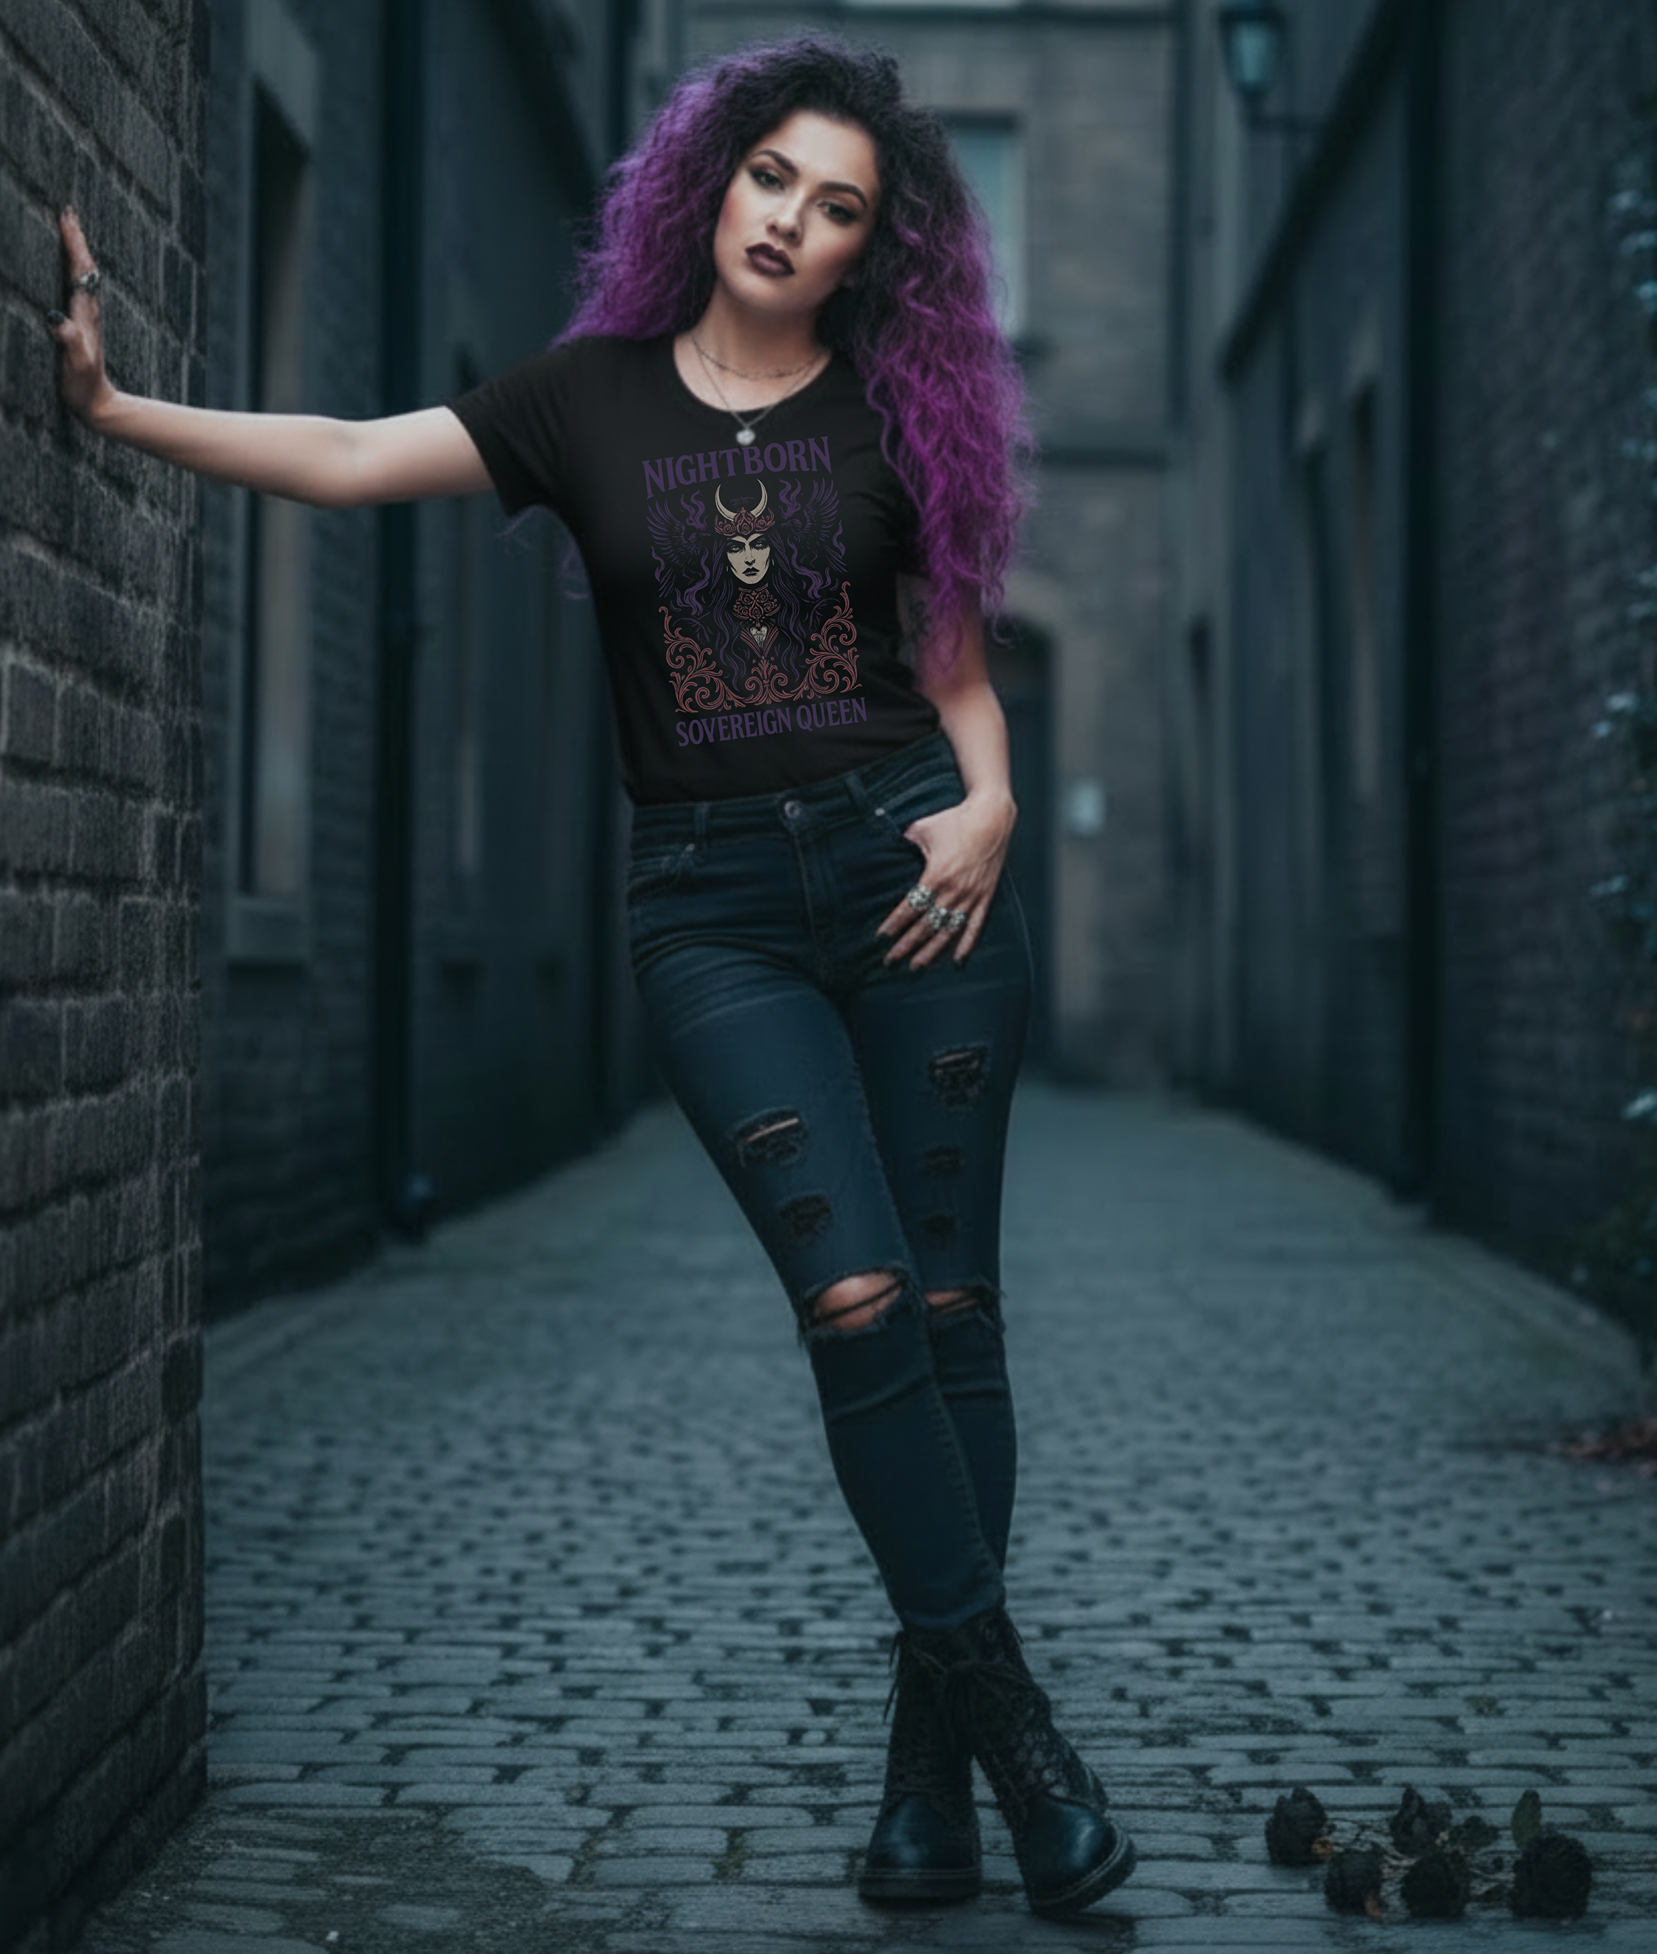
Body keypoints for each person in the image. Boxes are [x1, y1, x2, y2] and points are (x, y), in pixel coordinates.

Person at [47, 35, 1136, 1921]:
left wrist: (995, 806)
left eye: (838, 207)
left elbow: (954, 661)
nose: (790, 222)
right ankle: (1021, 1732)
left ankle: (931, 1784)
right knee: (858, 1297)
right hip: (713, 910)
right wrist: (119, 406)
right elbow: (354, 457)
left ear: (872, 250)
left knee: (954, 1310)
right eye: (772, 178)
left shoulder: (896, 412)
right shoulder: (587, 399)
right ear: (714, 180)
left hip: (917, 886)